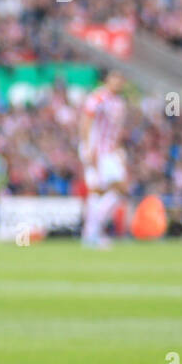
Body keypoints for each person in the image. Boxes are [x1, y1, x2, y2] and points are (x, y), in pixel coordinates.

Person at [79, 70, 127, 248]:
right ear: (108, 79)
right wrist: (87, 147)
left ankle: (91, 232)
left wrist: (119, 151)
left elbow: (116, 131)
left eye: (121, 79)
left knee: (115, 190)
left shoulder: (119, 102)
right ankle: (92, 234)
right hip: (97, 150)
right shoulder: (98, 98)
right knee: (100, 189)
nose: (119, 82)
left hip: (110, 151)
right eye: (116, 77)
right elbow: (86, 122)